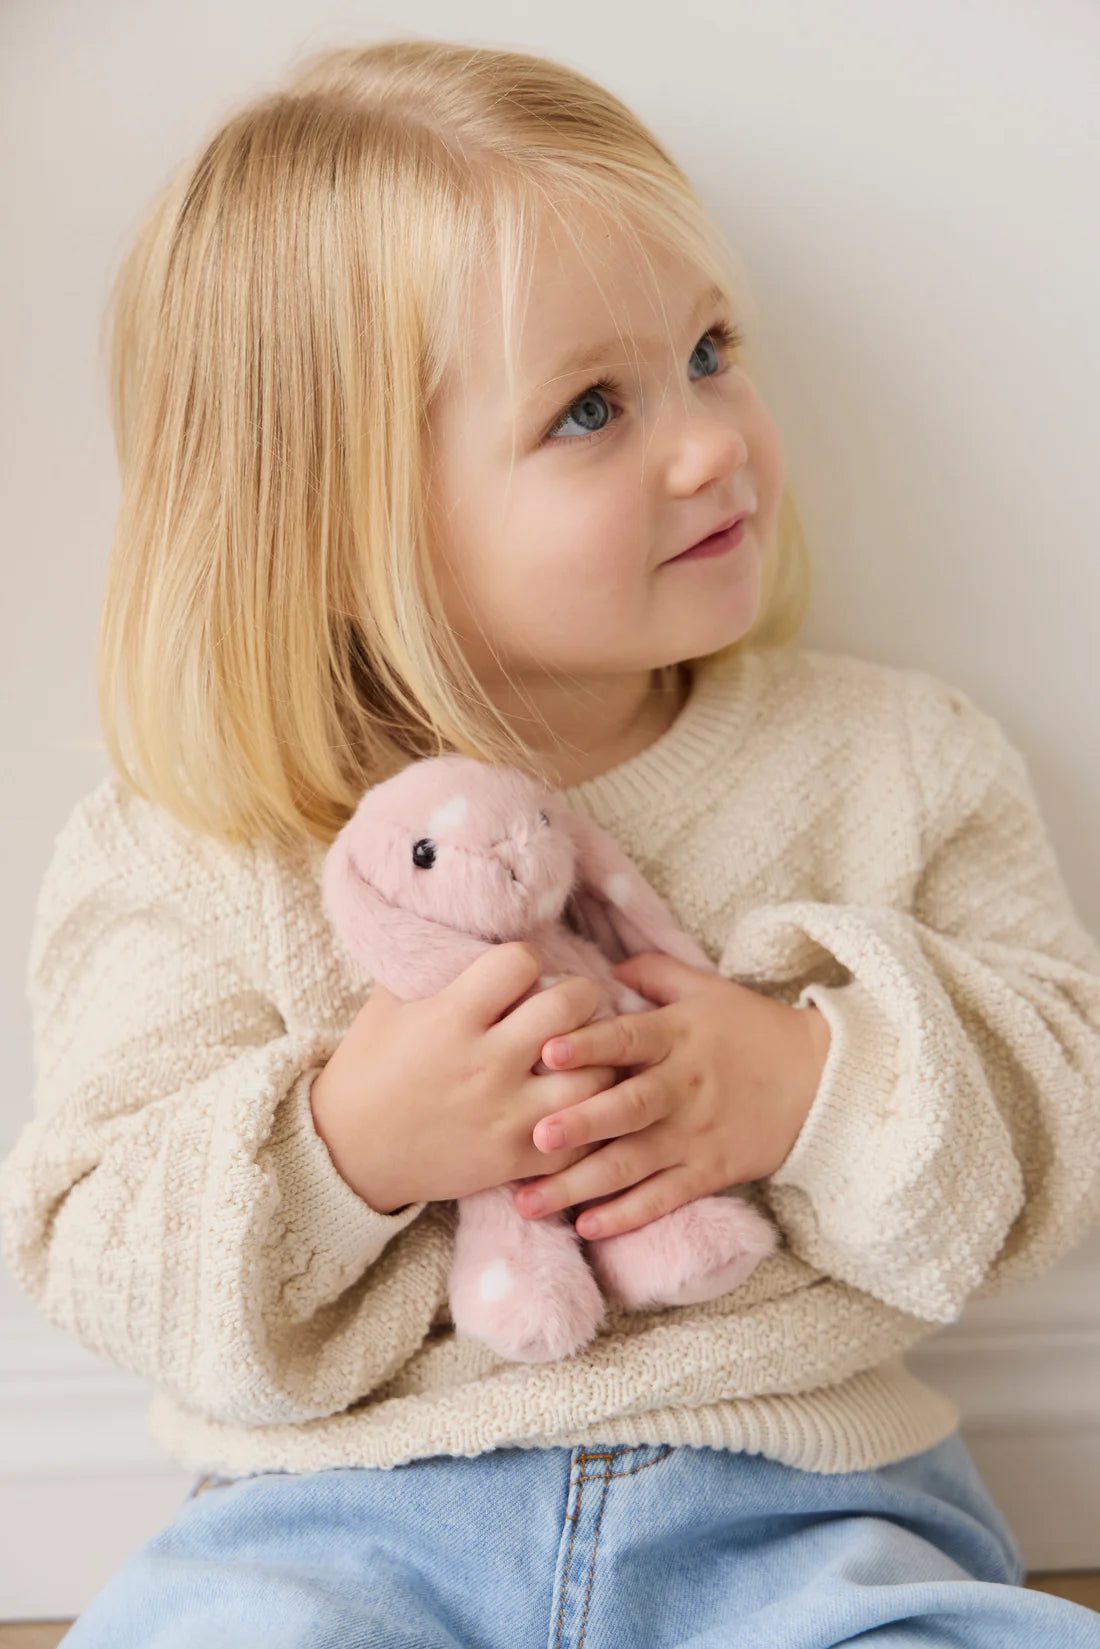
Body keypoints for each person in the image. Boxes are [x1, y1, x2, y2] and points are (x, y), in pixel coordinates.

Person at [2, 35, 1099, 1649]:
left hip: (803, 1517)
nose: (713, 441)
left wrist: (813, 1081)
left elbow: (1070, 1110)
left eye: (710, 350)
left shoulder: (899, 759)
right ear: (341, 526)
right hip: (338, 1527)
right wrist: (349, 1147)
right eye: (591, 407)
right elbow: (101, 1246)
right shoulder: (196, 846)